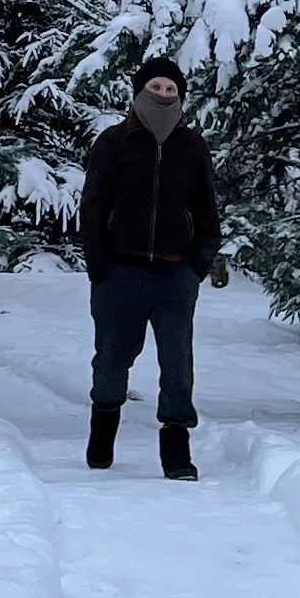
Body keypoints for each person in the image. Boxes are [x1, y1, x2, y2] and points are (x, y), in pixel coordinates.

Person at [77, 56, 227, 479]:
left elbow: (206, 210)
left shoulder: (192, 147)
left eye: (170, 90)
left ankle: (176, 449)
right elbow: (92, 208)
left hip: (174, 275)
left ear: (180, 96)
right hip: (118, 274)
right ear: (140, 91)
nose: (163, 95)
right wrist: (98, 267)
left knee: (177, 364)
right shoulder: (112, 143)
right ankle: (102, 434)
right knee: (111, 361)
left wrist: (196, 264)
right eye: (156, 87)